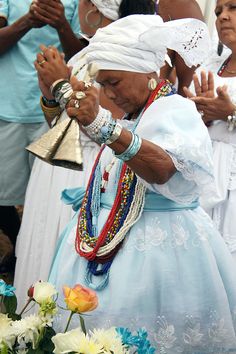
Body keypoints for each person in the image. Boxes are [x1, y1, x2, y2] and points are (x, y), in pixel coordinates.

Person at [48, 14, 236, 352]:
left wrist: (103, 126)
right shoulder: (132, 117)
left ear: (148, 73)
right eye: (103, 84)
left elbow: (161, 169)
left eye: (114, 82)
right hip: (103, 247)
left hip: (161, 259)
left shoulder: (174, 109)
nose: (108, 93)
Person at [13, 0, 154, 311]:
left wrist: (61, 84)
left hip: (87, 170)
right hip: (56, 167)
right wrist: (50, 94)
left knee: (66, 259)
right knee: (42, 249)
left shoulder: (121, 56)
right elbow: (62, 122)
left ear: (94, 9)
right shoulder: (86, 51)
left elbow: (115, 120)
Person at [0, 0, 81, 274]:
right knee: (2, 195)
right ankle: (20, 242)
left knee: (49, 195)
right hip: (7, 107)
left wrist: (61, 24)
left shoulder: (76, 3)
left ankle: (39, 258)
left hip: (55, 112)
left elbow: (82, 56)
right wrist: (27, 21)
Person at [184, 0, 236, 262]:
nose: (223, 17)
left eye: (233, 8)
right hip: (206, 176)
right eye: (218, 12)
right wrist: (201, 116)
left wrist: (231, 114)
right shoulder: (211, 67)